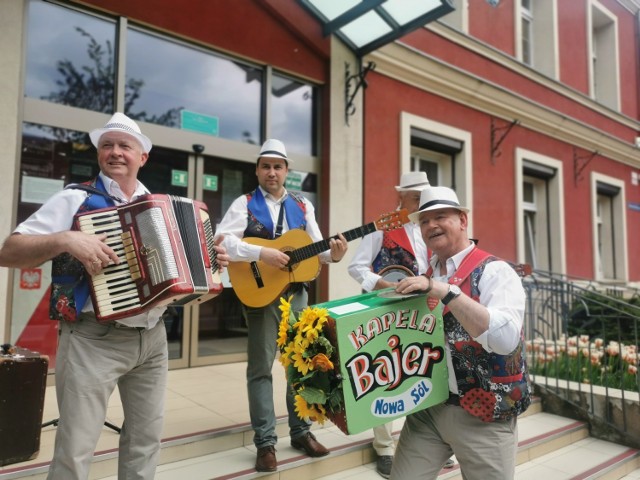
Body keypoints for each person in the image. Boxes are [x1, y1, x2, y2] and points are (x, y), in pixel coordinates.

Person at [0, 112, 229, 480]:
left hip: (152, 340)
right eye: (107, 145)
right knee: (76, 450)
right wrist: (65, 238)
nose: (115, 152)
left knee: (145, 442)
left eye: (125, 146)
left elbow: (183, 276)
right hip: (93, 340)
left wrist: (212, 260)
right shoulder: (75, 198)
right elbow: (9, 250)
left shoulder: (158, 206)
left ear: (143, 157)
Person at [215, 139, 348, 472]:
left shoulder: (303, 206)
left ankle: (300, 432)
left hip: (297, 292)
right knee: (260, 368)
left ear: (287, 171)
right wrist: (262, 253)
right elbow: (222, 240)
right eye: (265, 166)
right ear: (257, 170)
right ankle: (265, 442)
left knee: (300, 366)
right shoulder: (244, 203)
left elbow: (317, 250)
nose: (271, 172)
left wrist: (333, 254)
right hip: (261, 292)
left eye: (278, 166)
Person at [389, 186, 531, 480]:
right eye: (424, 220)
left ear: (463, 220)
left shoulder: (496, 271)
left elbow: (506, 341)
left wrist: (448, 293)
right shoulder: (425, 274)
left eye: (440, 216)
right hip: (427, 409)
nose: (430, 225)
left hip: (485, 417)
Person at [347, 171, 432, 478]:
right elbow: (355, 267)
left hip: (423, 312)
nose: (423, 203)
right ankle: (383, 446)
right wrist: (382, 283)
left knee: (425, 373)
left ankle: (425, 445)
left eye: (425, 197)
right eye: (417, 197)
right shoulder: (381, 226)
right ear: (402, 198)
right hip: (386, 311)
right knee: (387, 375)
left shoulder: (431, 228)